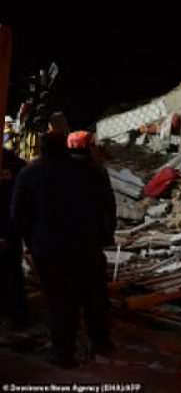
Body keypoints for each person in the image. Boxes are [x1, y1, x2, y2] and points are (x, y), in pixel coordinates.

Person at [11, 130, 117, 368]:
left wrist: (31, 242)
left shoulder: (29, 174)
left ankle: (64, 353)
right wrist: (104, 237)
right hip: (88, 246)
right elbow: (108, 209)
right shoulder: (92, 172)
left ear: (41, 148)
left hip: (50, 248)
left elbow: (19, 215)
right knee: (94, 297)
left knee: (60, 302)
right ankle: (101, 342)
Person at [0, 146, 29, 329]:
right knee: (13, 271)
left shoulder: (16, 166)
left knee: (9, 271)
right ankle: (18, 315)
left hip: (8, 227)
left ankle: (14, 315)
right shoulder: (18, 165)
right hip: (12, 227)